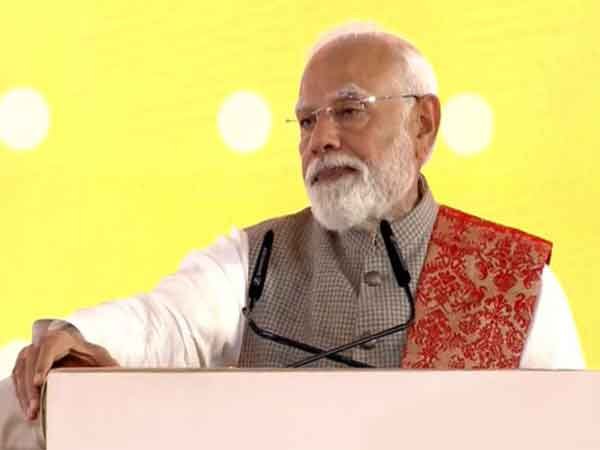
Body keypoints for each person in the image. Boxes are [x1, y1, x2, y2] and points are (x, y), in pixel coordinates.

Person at [1, 23, 585, 450]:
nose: (320, 139)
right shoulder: (253, 260)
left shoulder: (515, 279)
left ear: (423, 123)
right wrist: (77, 336)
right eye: (307, 121)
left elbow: (569, 431)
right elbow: (164, 323)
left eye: (349, 110)